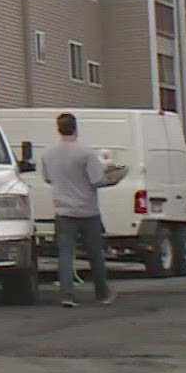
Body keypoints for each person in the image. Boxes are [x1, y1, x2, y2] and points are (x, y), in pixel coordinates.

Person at [40, 112, 120, 307]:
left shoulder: (48, 153)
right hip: (87, 210)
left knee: (66, 254)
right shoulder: (86, 152)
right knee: (95, 254)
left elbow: (48, 179)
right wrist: (114, 177)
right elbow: (97, 180)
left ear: (58, 129)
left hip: (63, 210)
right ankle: (102, 294)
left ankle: (67, 295)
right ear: (76, 127)